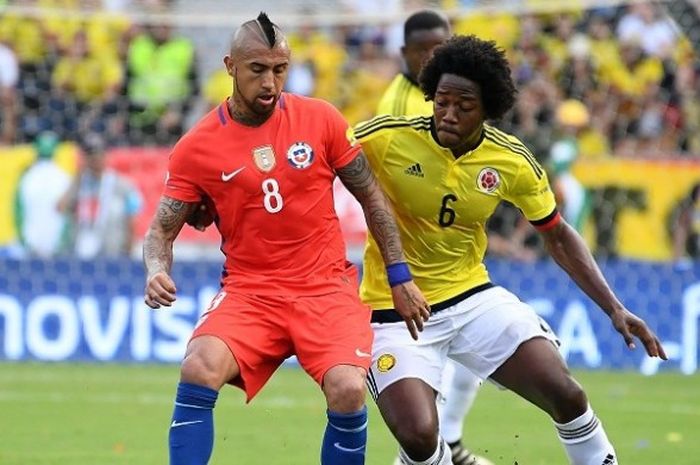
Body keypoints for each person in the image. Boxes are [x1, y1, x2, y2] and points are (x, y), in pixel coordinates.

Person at [353, 35, 667, 465]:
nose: (447, 113)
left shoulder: (511, 160)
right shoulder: (387, 137)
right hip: (393, 309)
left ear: (488, 109)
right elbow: (320, 156)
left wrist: (614, 307)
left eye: (463, 106)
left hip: (470, 298)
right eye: (441, 101)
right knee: (419, 436)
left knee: (566, 393)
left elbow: (557, 234)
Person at [142, 13, 429, 465]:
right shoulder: (197, 147)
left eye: (280, 69)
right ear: (230, 65)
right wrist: (157, 269)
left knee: (349, 388)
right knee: (198, 365)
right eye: (258, 69)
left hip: (324, 289)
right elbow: (161, 229)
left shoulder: (321, 120)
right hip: (250, 293)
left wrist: (399, 273)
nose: (270, 83)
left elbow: (371, 194)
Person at [375, 10, 492, 465]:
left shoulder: (445, 93)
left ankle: (451, 442)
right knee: (433, 368)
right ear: (404, 54)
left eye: (440, 49)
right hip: (417, 260)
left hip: (454, 250)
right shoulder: (399, 107)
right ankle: (438, 449)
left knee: (470, 356)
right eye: (423, 51)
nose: (433, 58)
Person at [59, 134, 142, 259]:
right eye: (90, 155)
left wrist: (128, 251)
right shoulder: (79, 184)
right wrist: (77, 178)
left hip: (114, 253)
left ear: (105, 155)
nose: (94, 159)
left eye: (98, 154)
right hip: (81, 254)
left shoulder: (123, 186)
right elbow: (60, 208)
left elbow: (132, 219)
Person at [14, 131, 71, 258]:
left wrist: (23, 239)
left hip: (29, 242)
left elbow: (18, 211)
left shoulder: (26, 177)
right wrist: (63, 241)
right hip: (55, 246)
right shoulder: (64, 177)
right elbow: (68, 214)